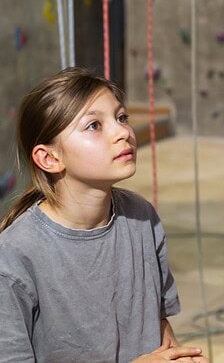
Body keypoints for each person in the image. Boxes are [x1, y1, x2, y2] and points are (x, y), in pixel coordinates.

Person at [0, 67, 209, 363]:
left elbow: (161, 328)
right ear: (49, 158)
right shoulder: (13, 257)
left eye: (121, 117)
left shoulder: (142, 218)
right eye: (94, 126)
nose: (122, 132)